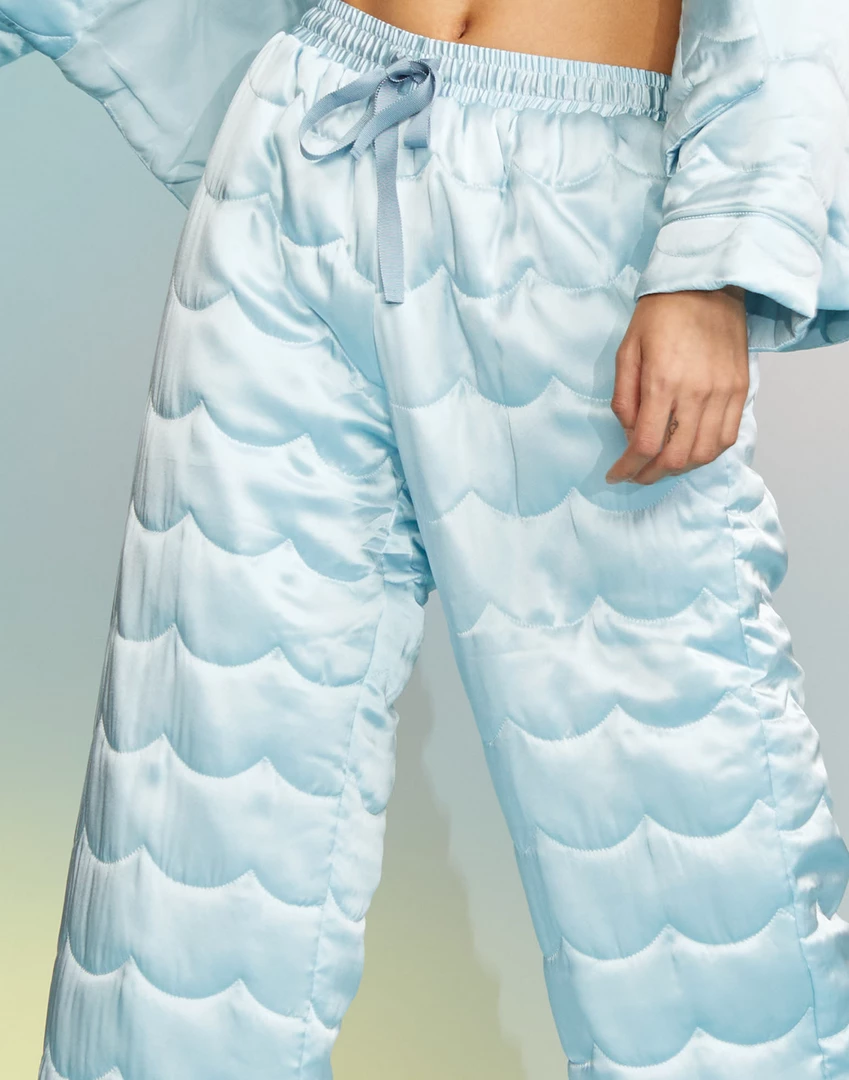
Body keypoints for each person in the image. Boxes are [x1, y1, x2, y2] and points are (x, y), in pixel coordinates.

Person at [3, 1, 849, 1078]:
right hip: (307, 139)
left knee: (674, 796)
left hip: (584, 202)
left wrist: (715, 259)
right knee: (201, 759)